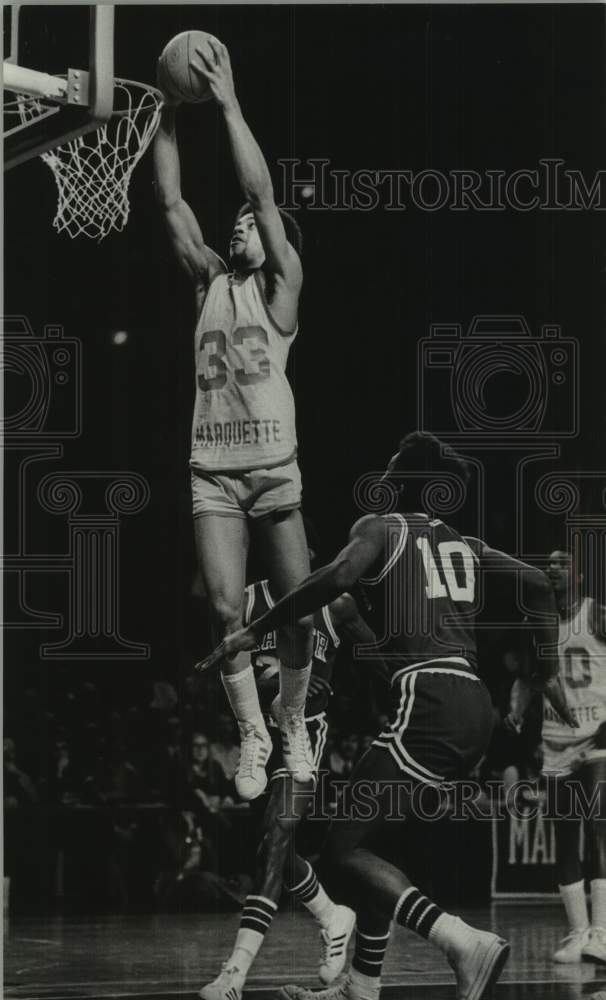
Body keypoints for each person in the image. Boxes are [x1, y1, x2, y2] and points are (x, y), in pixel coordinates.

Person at [199, 431, 575, 1000]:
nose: (385, 473)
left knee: (339, 852)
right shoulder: (463, 543)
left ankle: (459, 940)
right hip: (473, 703)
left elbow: (337, 577)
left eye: (393, 466)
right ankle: (363, 982)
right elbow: (535, 585)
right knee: (381, 844)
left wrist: (258, 625)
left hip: (428, 700)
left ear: (404, 480)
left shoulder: (379, 526)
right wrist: (544, 674)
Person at [153, 35, 314, 801]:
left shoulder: (280, 287)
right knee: (225, 610)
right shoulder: (208, 281)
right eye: (239, 225)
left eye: (250, 224)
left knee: (299, 612)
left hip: (273, 466)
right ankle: (252, 732)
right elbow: (172, 204)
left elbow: (262, 194)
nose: (239, 224)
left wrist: (226, 103)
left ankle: (293, 723)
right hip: (214, 472)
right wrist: (165, 121)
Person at [200, 570, 386, 1000]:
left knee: (279, 833)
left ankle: (235, 973)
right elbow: (221, 674)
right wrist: (274, 682)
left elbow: (378, 656)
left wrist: (405, 693)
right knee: (272, 850)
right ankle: (332, 916)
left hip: (305, 733)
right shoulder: (243, 602)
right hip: (256, 735)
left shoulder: (336, 604)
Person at [509, 548, 606, 964]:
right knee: (565, 837)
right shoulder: (539, 624)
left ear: (579, 576)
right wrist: (516, 705)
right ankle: (578, 932)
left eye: (562, 562)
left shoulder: (596, 614)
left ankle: (602, 932)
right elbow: (531, 677)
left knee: (598, 825)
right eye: (548, 563)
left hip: (598, 734)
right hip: (555, 740)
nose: (552, 568)